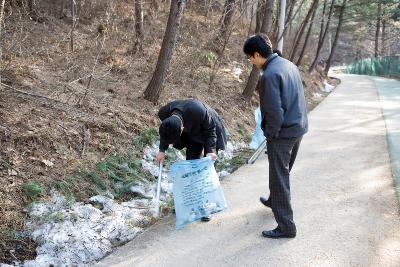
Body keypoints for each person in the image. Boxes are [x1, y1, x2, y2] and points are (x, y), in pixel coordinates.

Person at [243, 34, 308, 239]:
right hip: (298, 128)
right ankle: (274, 200)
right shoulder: (288, 64)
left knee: (279, 178)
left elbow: (274, 112)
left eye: (250, 58)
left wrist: (270, 135)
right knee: (282, 172)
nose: (251, 62)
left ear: (257, 54)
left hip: (283, 133)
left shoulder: (269, 75)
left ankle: (286, 227)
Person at [156, 99, 228, 222]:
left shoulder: (197, 110)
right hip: (193, 135)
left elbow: (211, 130)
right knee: (191, 167)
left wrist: (211, 150)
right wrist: (162, 150)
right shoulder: (164, 113)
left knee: (206, 170)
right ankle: (192, 204)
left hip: (210, 130)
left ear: (182, 129)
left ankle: (206, 206)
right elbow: (166, 132)